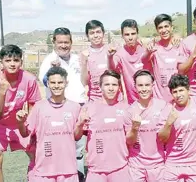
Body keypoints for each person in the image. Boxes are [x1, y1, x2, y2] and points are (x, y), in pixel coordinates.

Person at [0, 44, 41, 182]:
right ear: (1, 62)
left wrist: (29, 125)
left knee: (36, 153)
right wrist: (2, 92)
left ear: (21, 61)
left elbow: (34, 104)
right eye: (8, 60)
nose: (12, 64)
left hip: (18, 122)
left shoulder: (29, 79)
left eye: (16, 60)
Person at [17, 66, 84, 181]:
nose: (56, 85)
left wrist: (80, 124)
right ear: (47, 83)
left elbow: (77, 137)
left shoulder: (75, 107)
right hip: (44, 170)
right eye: (53, 82)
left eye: (60, 82)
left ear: (66, 83)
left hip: (68, 169)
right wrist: (20, 123)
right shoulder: (39, 107)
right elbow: (25, 133)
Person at [38, 27, 87, 180]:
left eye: (66, 42)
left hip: (79, 106)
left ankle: (78, 177)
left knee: (79, 149)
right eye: (60, 42)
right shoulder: (49, 61)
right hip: (59, 109)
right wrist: (53, 71)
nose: (64, 45)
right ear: (54, 43)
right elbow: (46, 81)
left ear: (71, 42)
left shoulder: (76, 59)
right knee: (61, 148)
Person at [76, 70, 131, 182]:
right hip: (96, 170)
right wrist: (80, 124)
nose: (111, 88)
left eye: (114, 85)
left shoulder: (126, 108)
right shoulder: (89, 108)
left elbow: (131, 139)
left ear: (119, 87)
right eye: (107, 84)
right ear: (100, 87)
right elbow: (76, 136)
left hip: (120, 168)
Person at [158, 74, 196, 181]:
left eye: (181, 90)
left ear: (188, 90)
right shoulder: (166, 110)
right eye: (175, 92)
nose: (178, 95)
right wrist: (168, 123)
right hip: (173, 163)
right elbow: (162, 138)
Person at [124, 69, 172, 181]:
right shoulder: (130, 111)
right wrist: (135, 128)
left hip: (158, 166)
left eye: (147, 85)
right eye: (140, 85)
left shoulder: (163, 106)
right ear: (135, 87)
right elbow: (130, 141)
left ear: (153, 85)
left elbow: (165, 139)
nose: (144, 89)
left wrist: (168, 124)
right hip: (136, 167)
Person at [108, 19, 151, 105]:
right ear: (122, 36)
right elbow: (112, 68)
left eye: (133, 34)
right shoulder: (119, 54)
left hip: (150, 100)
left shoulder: (146, 49)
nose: (130, 37)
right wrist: (110, 57)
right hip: (132, 102)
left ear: (137, 34)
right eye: (127, 34)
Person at [79, 20, 123, 102]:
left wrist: (110, 57)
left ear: (103, 33)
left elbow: (116, 74)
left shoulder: (112, 49)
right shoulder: (84, 54)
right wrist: (84, 63)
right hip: (95, 99)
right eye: (92, 33)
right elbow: (84, 82)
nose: (95, 35)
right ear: (87, 35)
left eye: (98, 32)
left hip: (115, 98)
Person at [147, 14, 185, 102]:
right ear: (157, 30)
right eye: (160, 28)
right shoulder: (153, 47)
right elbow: (144, 60)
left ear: (171, 27)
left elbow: (184, 69)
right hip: (159, 98)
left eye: (166, 26)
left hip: (177, 97)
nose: (164, 30)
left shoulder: (180, 45)